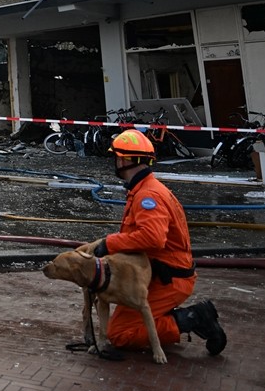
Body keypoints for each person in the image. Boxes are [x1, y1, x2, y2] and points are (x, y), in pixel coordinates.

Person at [91, 129, 226, 356]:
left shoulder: (148, 196)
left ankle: (192, 319)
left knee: (120, 334)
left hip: (168, 279)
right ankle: (169, 317)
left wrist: (110, 244)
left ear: (123, 159)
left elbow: (152, 238)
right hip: (160, 274)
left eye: (116, 157)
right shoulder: (143, 190)